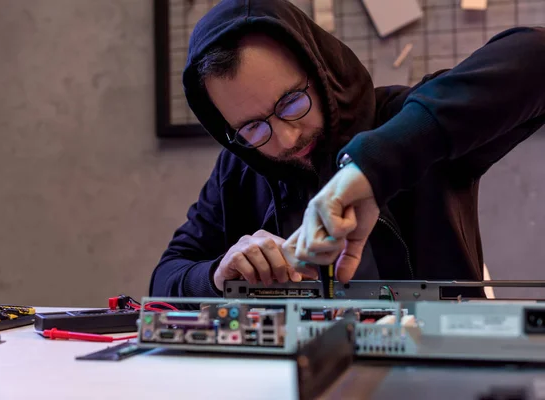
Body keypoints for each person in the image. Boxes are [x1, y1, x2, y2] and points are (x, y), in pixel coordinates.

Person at [149, 0, 545, 298]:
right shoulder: (238, 168)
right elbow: (166, 275)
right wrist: (216, 274)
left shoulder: (404, 119)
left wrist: (378, 164)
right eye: (253, 127)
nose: (285, 140)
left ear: (322, 72)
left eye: (290, 103)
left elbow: (537, 56)